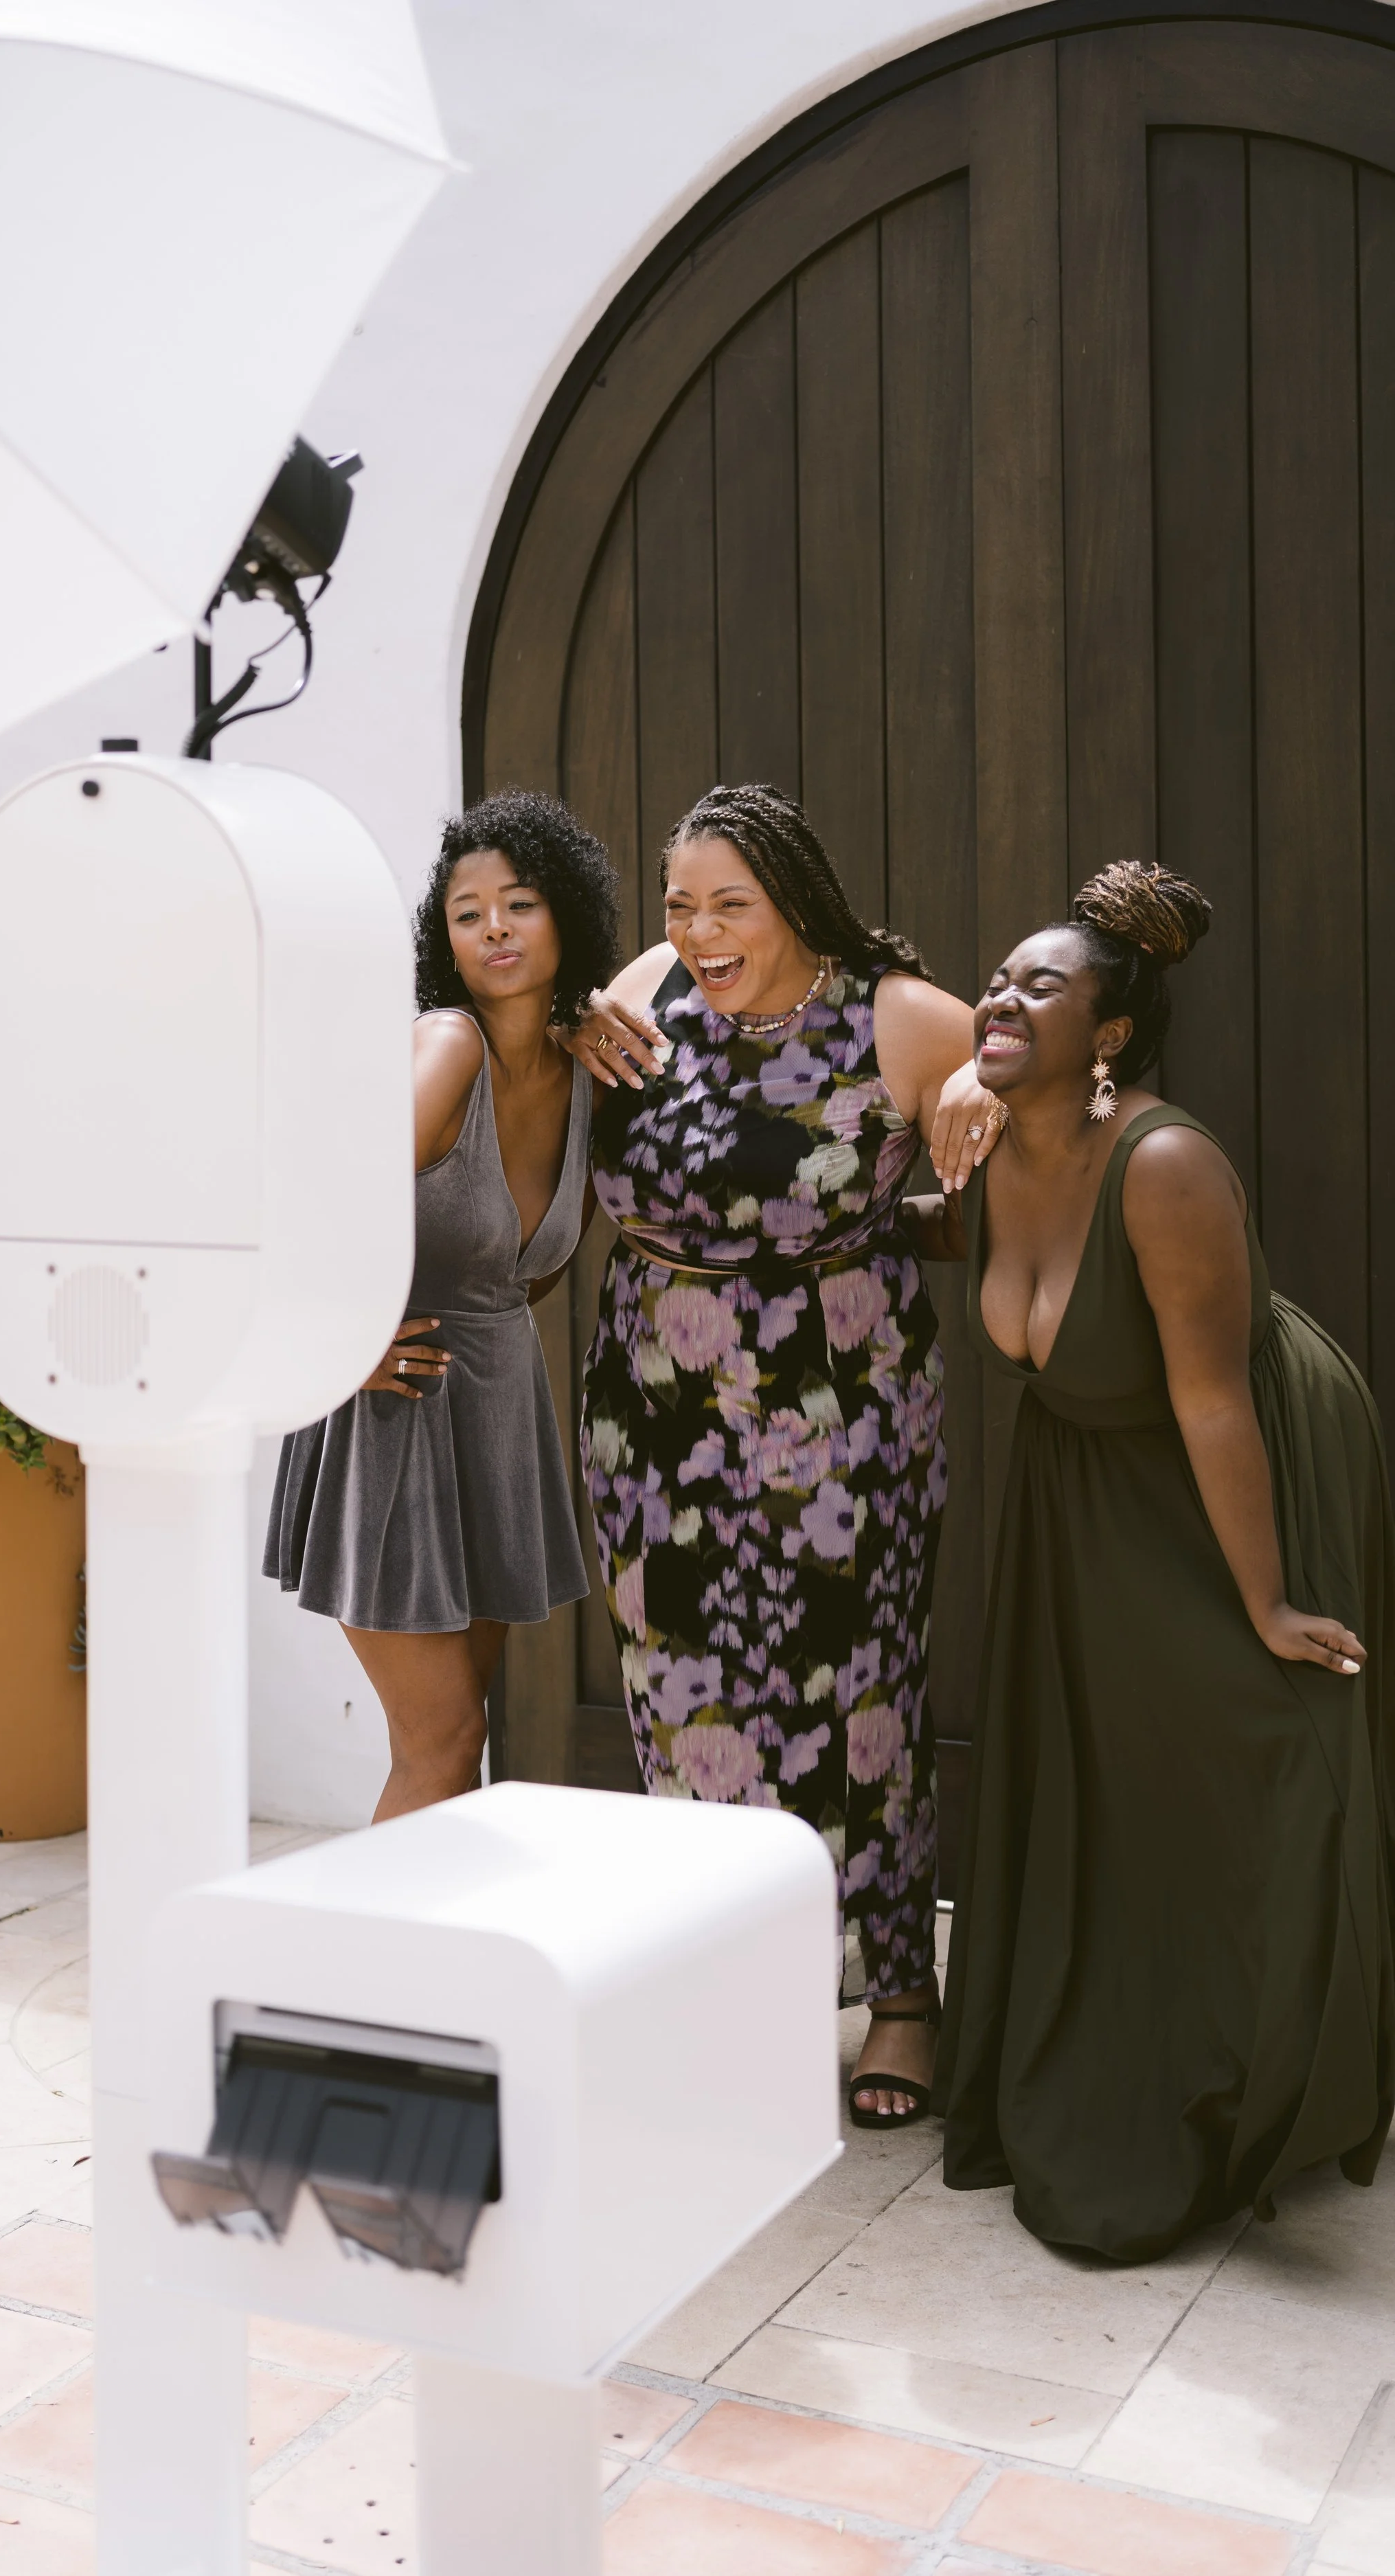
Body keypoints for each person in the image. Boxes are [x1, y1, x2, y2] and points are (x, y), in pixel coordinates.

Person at [928, 860, 1395, 2259]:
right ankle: (1105, 2044)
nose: (1001, 995)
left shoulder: (1166, 1162)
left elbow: (1209, 1399)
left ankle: (1261, 2094)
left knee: (1265, 1736)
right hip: (1079, 1471)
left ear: (1111, 1035)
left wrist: (1264, 1598)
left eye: (1040, 984)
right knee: (1100, 1760)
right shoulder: (986, 1128)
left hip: (1234, 1453)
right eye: (997, 976)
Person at [568, 782, 1001, 2127]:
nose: (696, 930)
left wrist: (987, 1069)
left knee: (853, 1707)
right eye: (679, 901)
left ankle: (899, 2000)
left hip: (838, 1424)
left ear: (795, 905)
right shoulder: (648, 987)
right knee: (683, 1711)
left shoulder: (889, 1012)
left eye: (728, 905)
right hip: (650, 1420)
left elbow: (1039, 1095)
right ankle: (721, 1990)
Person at [263, 791, 617, 1820]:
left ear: (567, 917)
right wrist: (337, 1345)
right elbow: (312, 1198)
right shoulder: (446, 1046)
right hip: (393, 1419)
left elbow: (524, 1268)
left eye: (520, 902)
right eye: (469, 913)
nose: (495, 927)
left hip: (495, 1420)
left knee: (456, 1745)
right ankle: (367, 1976)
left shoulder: (588, 1074)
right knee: (446, 1738)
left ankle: (422, 1961)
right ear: (445, 940)